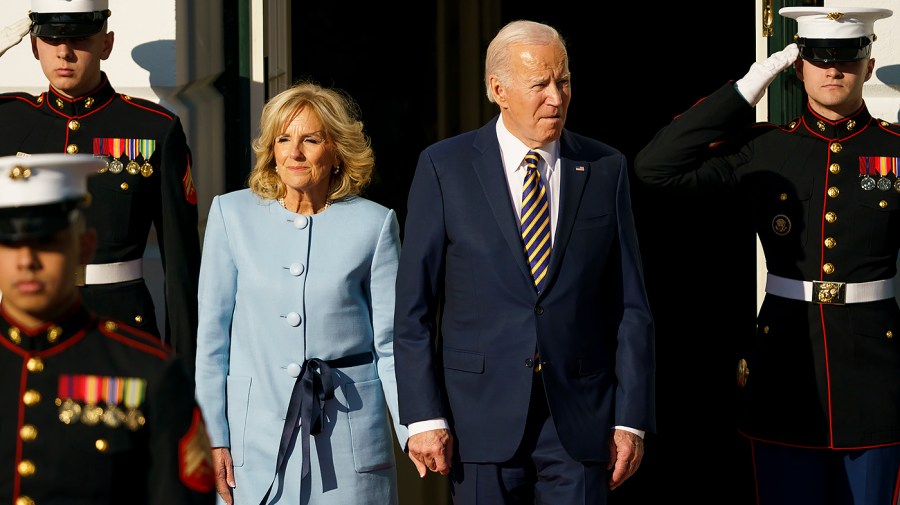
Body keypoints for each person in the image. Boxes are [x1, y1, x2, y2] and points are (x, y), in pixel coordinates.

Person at [634, 6, 900, 504]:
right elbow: (656, 167)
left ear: (868, 63)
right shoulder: (765, 148)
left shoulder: (894, 149)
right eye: (819, 58)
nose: (833, 69)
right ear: (798, 68)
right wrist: (744, 90)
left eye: (846, 57)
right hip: (786, 377)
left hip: (876, 380)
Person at [393, 19, 656, 504]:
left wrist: (630, 418)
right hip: (477, 423)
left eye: (564, 81)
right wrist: (424, 417)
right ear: (499, 90)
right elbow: (413, 310)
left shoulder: (605, 168)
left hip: (579, 423)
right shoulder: (443, 168)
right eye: (540, 85)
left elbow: (630, 306)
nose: (556, 98)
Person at [194, 81, 409, 505]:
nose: (294, 152)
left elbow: (392, 345)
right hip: (252, 441)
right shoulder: (231, 214)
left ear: (335, 151)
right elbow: (212, 342)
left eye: (310, 139)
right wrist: (212, 436)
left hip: (348, 441)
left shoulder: (375, 224)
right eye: (283, 139)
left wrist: (417, 427)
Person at [0, 153, 214, 504]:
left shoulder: (150, 373)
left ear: (84, 248)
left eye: (48, 242)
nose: (27, 261)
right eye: (9, 243)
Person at [0, 0, 202, 372]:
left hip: (120, 330)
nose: (64, 52)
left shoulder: (153, 129)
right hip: (23, 332)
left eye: (80, 39)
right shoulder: (7, 120)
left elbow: (181, 265)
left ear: (106, 44)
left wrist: (184, 372)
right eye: (51, 39)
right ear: (32, 47)